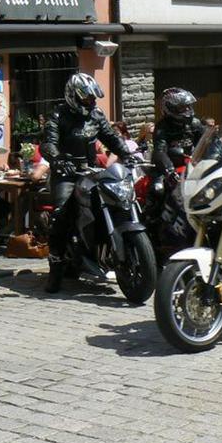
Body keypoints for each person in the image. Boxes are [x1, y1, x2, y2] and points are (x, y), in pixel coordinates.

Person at [40, 73, 133, 293]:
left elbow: (111, 137)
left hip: (92, 171)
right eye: (87, 98)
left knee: (117, 197)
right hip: (67, 174)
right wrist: (58, 158)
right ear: (73, 96)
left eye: (93, 99)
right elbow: (49, 143)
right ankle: (55, 268)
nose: (91, 102)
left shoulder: (96, 115)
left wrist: (127, 153)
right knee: (61, 214)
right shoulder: (57, 115)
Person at [152, 88, 205, 182]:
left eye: (188, 106)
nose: (187, 110)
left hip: (191, 166)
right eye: (182, 107)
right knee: (157, 190)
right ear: (170, 108)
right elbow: (160, 151)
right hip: (169, 168)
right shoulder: (162, 127)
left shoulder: (195, 123)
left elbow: (207, 142)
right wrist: (169, 170)